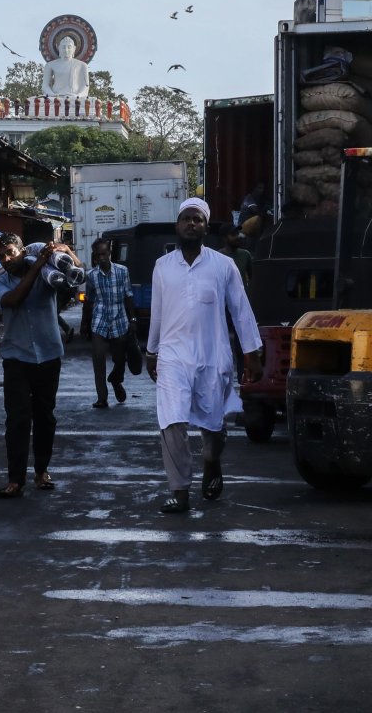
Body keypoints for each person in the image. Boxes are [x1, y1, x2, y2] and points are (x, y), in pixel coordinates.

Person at [146, 198, 263, 514]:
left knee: (212, 423)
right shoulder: (163, 267)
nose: (191, 224)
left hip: (213, 356)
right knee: (171, 420)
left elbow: (240, 310)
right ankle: (179, 489)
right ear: (178, 224)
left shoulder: (223, 266)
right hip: (172, 356)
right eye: (186, 218)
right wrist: (151, 350)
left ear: (206, 226)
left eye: (197, 219)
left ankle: (211, 461)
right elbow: (157, 314)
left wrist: (252, 353)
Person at [0, 234, 78, 498]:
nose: (6, 260)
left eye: (10, 252)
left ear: (21, 250)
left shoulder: (46, 272)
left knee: (45, 416)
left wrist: (67, 252)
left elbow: (77, 273)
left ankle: (41, 471)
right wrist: (36, 267)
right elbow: (14, 300)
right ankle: (15, 480)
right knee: (17, 419)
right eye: (1, 256)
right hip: (16, 357)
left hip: (48, 354)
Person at [80, 238, 137, 409]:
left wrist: (132, 319)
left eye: (104, 254)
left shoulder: (122, 271)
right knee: (98, 358)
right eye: (98, 255)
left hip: (119, 319)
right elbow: (89, 301)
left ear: (109, 254)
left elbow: (128, 295)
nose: (102, 258)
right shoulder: (91, 276)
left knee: (119, 359)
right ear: (95, 258)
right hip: (100, 319)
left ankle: (116, 380)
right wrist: (85, 323)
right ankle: (102, 398)